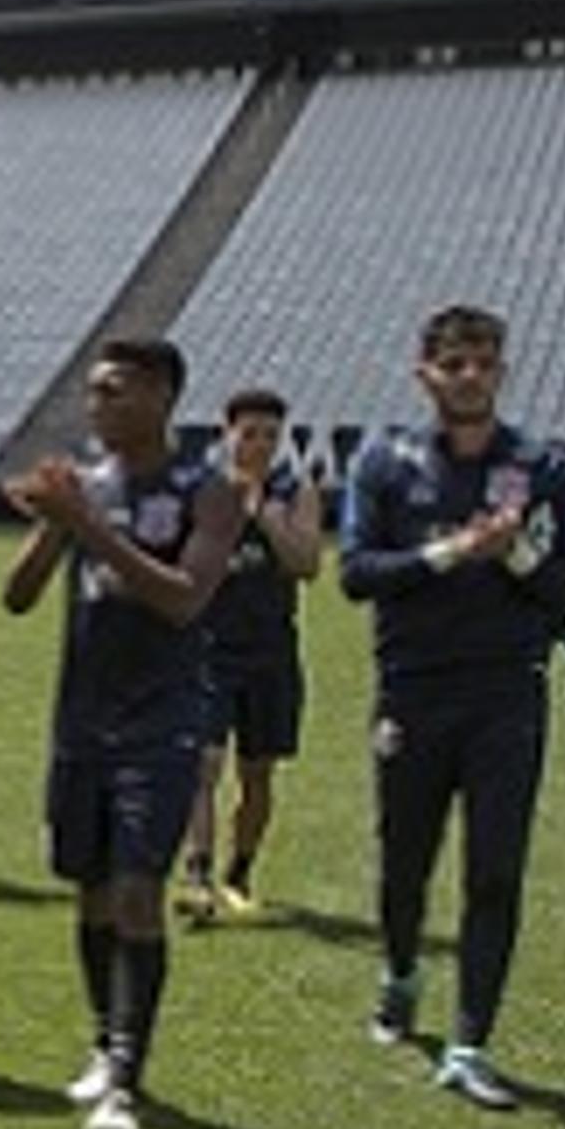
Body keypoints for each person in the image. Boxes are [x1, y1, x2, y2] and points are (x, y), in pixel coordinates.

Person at [336, 304, 565, 1110]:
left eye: (483, 362)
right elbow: (356, 572)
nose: (470, 376)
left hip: (507, 692)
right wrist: (452, 552)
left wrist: (515, 551)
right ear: (426, 373)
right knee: (405, 864)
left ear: (502, 371)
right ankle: (402, 973)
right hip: (413, 689)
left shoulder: (546, 467)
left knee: (496, 868)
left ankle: (469, 1041)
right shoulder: (387, 461)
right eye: (454, 363)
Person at [0, 339, 240, 1129]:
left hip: (161, 721)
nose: (97, 405)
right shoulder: (88, 486)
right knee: (93, 891)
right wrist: (51, 527)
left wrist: (88, 527)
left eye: (116, 391)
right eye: (93, 391)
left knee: (139, 889)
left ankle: (128, 1080)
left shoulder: (207, 490)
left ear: (163, 397)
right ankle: (107, 1040)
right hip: (82, 722)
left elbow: (183, 600)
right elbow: (19, 597)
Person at [182, 386, 324, 920]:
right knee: (203, 764)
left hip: (271, 652)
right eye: (249, 434)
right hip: (209, 649)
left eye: (271, 435)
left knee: (258, 775)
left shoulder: (295, 491)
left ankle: (239, 869)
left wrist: (262, 511)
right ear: (227, 435)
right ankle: (196, 875)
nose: (260, 445)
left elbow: (306, 563)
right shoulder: (203, 490)